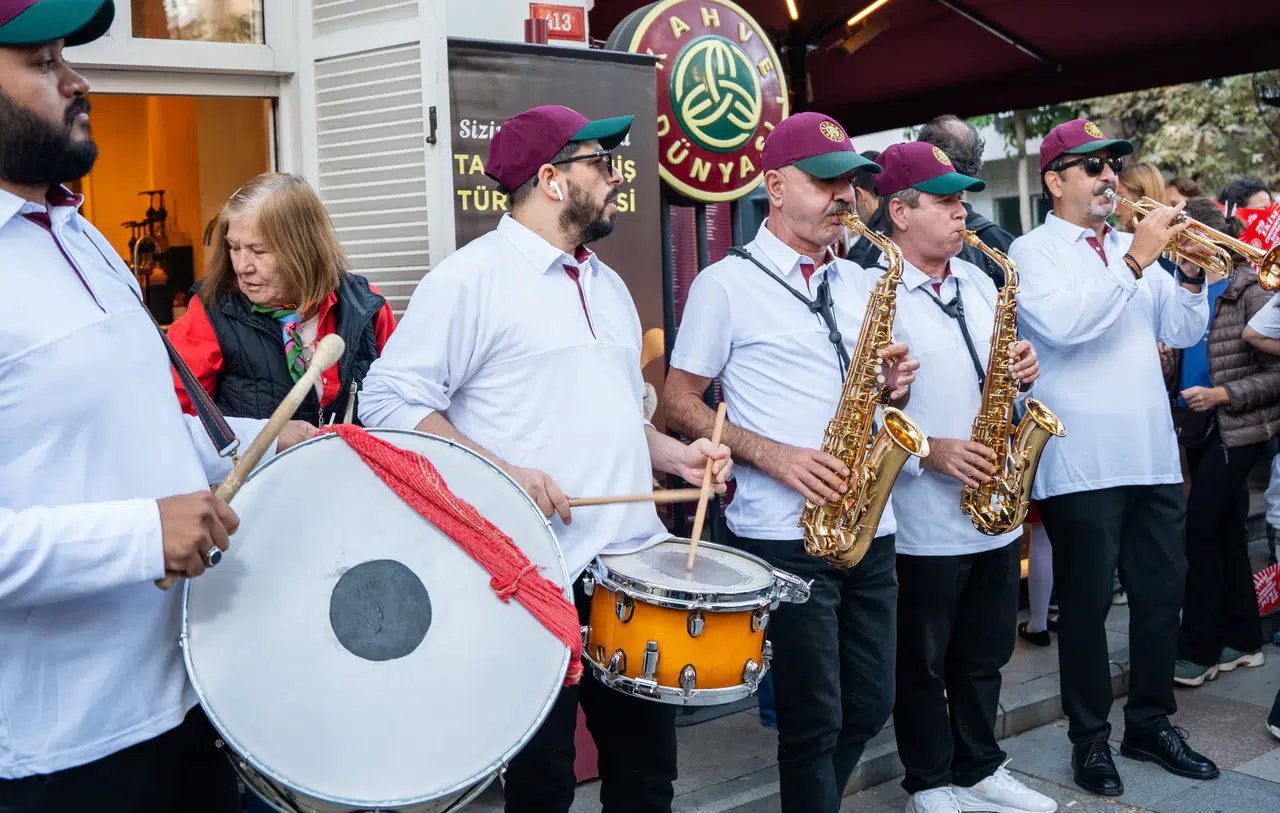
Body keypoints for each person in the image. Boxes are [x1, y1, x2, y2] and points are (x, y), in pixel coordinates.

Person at [357, 104, 732, 813]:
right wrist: (500, 475)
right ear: (553, 180)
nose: (617, 179)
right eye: (601, 165)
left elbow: (621, 417)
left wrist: (679, 456)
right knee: (541, 786)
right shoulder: (469, 279)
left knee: (647, 778)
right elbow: (387, 401)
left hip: (629, 575)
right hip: (527, 575)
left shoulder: (608, 285)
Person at [0, 3, 313, 810]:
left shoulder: (79, 234)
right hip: (64, 748)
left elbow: (134, 426)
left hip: (188, 694)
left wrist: (268, 442)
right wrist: (143, 534)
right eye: (42, 62)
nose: (78, 81)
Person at [663, 111, 919, 813]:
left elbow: (877, 391)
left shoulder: (861, 282)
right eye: (824, 181)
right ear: (775, 187)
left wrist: (893, 387)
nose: (844, 196)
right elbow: (678, 402)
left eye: (850, 183)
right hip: (785, 531)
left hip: (869, 522)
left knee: (872, 701)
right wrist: (774, 456)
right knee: (812, 720)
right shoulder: (724, 284)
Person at [1010, 119, 1217, 798]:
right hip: (1082, 457)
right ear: (1055, 180)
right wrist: (1136, 263)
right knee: (1087, 604)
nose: (1109, 177)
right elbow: (1067, 327)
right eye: (1092, 166)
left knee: (1161, 595)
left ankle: (1150, 722)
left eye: (1112, 165)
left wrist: (1189, 273)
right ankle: (1089, 737)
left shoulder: (1134, 246)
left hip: (1151, 453)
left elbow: (1180, 330)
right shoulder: (1032, 251)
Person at [873, 142, 1056, 813]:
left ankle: (980, 767)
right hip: (921, 514)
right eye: (945, 201)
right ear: (900, 212)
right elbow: (857, 407)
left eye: (962, 200)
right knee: (922, 662)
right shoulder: (873, 295)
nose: (961, 213)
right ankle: (929, 781)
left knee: (984, 651)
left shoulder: (981, 284)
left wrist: (1022, 372)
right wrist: (931, 450)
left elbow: (996, 374)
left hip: (992, 505)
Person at [166, 172, 396, 426]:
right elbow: (176, 422)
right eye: (234, 248)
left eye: (258, 250)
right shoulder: (209, 314)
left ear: (304, 249)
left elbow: (396, 402)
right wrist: (265, 436)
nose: (242, 266)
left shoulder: (366, 307)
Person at [1168, 197, 1278, 687]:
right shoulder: (1181, 285)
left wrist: (1222, 395)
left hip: (1239, 428)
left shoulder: (1250, 288)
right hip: (1198, 427)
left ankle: (1199, 649)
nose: (1176, 247)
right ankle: (1244, 640)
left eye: (1182, 237)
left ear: (1206, 237)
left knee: (1200, 529)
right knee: (1227, 531)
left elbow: (1277, 374)